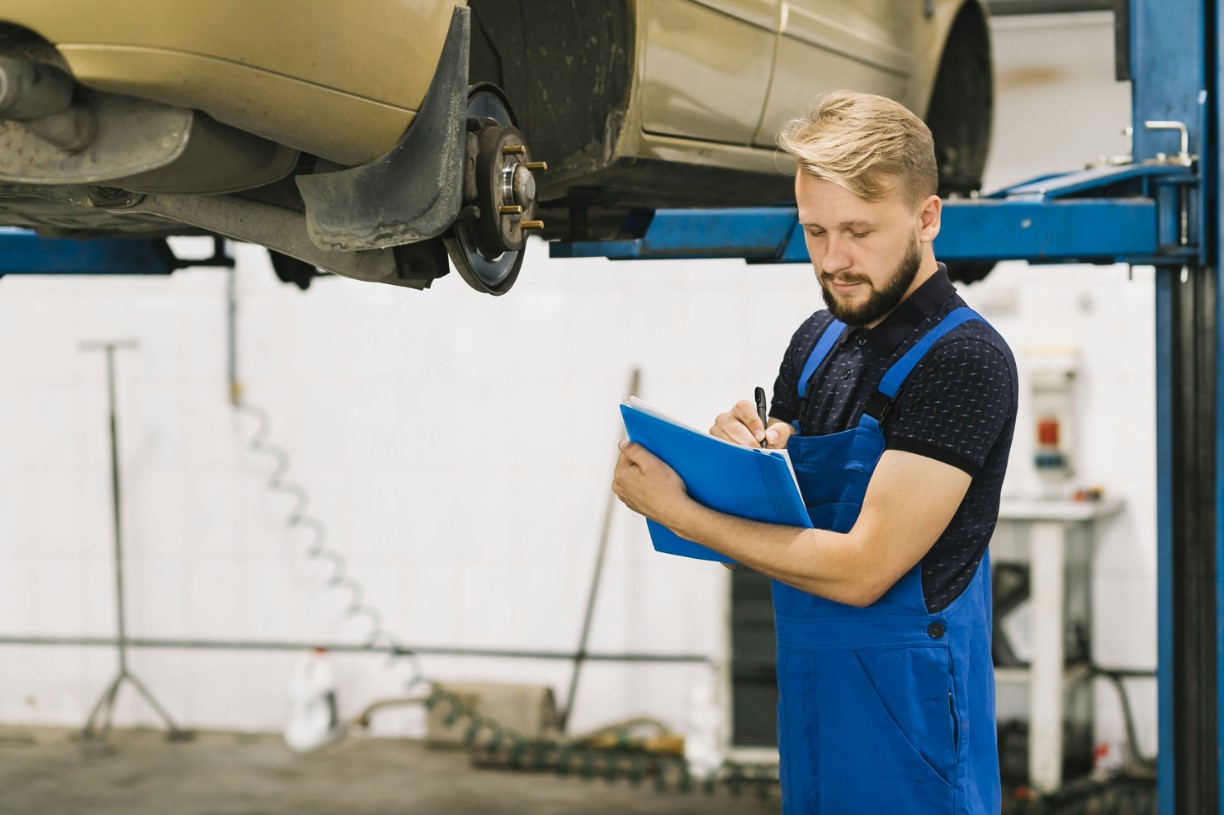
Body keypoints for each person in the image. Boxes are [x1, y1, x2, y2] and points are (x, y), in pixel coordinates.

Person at [612, 90, 1017, 815]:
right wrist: (731, 459)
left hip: (911, 727)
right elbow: (782, 517)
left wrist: (679, 513)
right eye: (816, 231)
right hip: (812, 705)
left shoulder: (965, 360)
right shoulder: (817, 341)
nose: (834, 260)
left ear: (927, 218)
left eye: (859, 231)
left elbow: (864, 568)